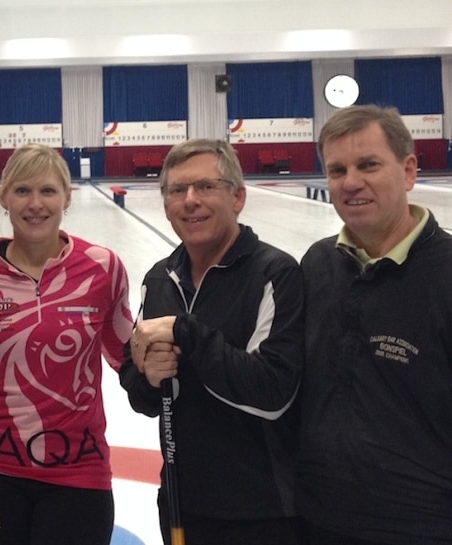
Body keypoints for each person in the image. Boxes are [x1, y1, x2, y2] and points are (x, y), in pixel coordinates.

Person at [296, 105, 452, 544]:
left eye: (369, 165)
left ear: (409, 170)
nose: (351, 182)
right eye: (337, 170)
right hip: (317, 521)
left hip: (428, 528)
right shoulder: (317, 265)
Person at [0, 143, 134, 545]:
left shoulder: (101, 267)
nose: (35, 204)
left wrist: (163, 354)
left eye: (48, 191)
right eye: (22, 191)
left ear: (67, 196)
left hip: (79, 472)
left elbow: (125, 352)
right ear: (3, 197)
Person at [120, 139, 305, 544]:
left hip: (260, 512)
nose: (190, 201)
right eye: (176, 190)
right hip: (181, 502)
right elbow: (138, 383)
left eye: (206, 186)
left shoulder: (275, 274)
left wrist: (187, 334)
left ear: (237, 196)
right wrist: (147, 378)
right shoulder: (160, 277)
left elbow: (272, 392)